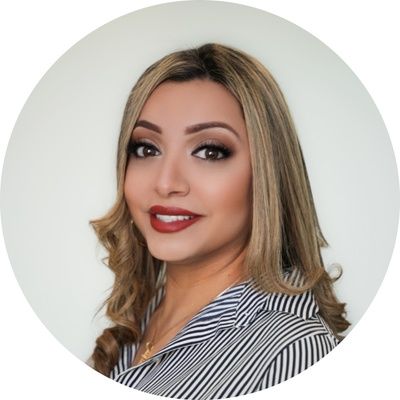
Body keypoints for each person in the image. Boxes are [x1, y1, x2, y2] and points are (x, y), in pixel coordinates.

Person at [88, 43, 350, 398]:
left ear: (267, 174)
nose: (165, 183)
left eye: (209, 151)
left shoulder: (292, 353)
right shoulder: (141, 319)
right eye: (146, 148)